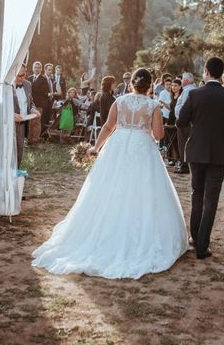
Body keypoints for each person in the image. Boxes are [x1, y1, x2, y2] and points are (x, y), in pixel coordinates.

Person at [32, 68, 188, 278]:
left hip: (118, 146)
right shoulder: (153, 105)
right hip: (143, 148)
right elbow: (159, 135)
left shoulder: (120, 101)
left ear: (131, 82)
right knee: (142, 189)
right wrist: (146, 130)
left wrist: (96, 148)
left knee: (110, 187)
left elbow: (107, 127)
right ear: (150, 85)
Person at [176, 57, 224, 260]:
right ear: (222, 73)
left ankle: (195, 238)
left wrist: (198, 129)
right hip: (219, 154)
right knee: (211, 199)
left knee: (197, 193)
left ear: (206, 71)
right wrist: (222, 135)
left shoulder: (194, 94)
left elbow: (180, 122)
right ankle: (203, 246)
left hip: (196, 151)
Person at [12, 65, 40, 173]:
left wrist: (33, 109)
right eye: (18, 76)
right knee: (9, 151)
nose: (20, 78)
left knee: (20, 150)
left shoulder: (28, 84)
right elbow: (2, 104)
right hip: (9, 124)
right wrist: (12, 114)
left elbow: (30, 101)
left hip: (23, 123)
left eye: (23, 75)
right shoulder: (7, 85)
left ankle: (16, 173)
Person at [173, 72, 196, 174]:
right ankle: (186, 164)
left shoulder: (188, 91)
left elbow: (184, 107)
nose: (181, 81)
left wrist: (180, 119)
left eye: (182, 79)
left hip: (184, 122)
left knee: (183, 144)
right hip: (187, 121)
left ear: (186, 81)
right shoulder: (191, 89)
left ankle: (184, 166)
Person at [29, 61, 50, 132]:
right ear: (32, 68)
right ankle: (29, 139)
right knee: (29, 122)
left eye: (38, 68)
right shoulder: (29, 78)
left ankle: (35, 140)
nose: (36, 69)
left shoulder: (43, 79)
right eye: (35, 67)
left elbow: (45, 93)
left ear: (41, 69)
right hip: (29, 104)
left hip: (39, 104)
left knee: (36, 122)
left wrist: (33, 89)